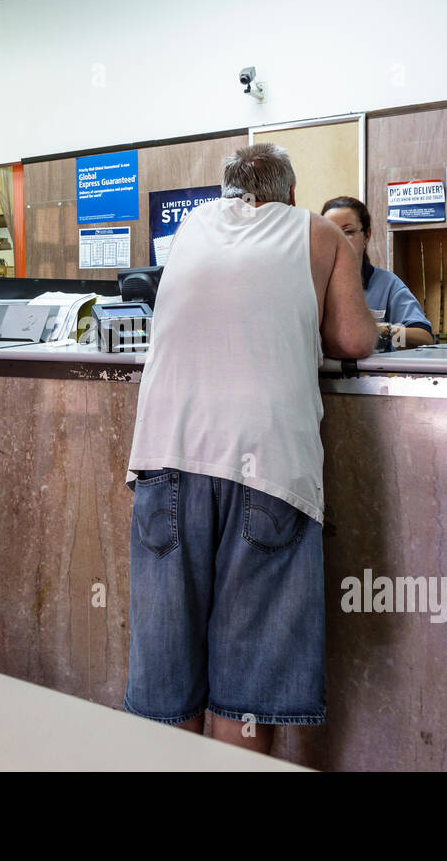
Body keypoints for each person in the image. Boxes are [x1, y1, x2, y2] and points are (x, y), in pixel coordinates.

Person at [124, 143, 378, 754]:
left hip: (164, 461)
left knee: (169, 678)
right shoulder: (319, 233)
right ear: (290, 196)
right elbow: (352, 337)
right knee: (245, 689)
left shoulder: (189, 228)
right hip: (265, 468)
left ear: (228, 193)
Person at [321, 196, 434, 350]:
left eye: (348, 232)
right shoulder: (313, 282)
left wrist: (385, 332)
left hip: (371, 373)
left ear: (367, 235)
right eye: (331, 232)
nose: (339, 239)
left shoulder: (387, 285)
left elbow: (424, 338)